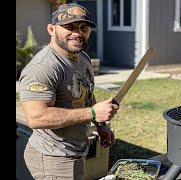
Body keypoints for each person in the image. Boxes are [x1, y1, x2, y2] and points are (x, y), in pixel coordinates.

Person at [18, 3, 119, 179]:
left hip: (74, 150)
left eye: (84, 28)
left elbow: (86, 95)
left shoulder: (82, 57)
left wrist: (100, 125)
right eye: (69, 27)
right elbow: (36, 117)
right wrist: (93, 113)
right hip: (53, 159)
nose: (78, 33)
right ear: (51, 29)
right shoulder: (43, 68)